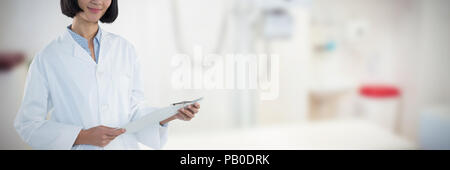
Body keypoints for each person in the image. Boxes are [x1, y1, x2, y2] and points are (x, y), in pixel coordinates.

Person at [14, 0, 200, 150]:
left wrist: (170, 115)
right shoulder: (48, 57)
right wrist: (83, 136)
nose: (98, 1)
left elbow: (135, 111)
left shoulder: (125, 49)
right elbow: (28, 124)